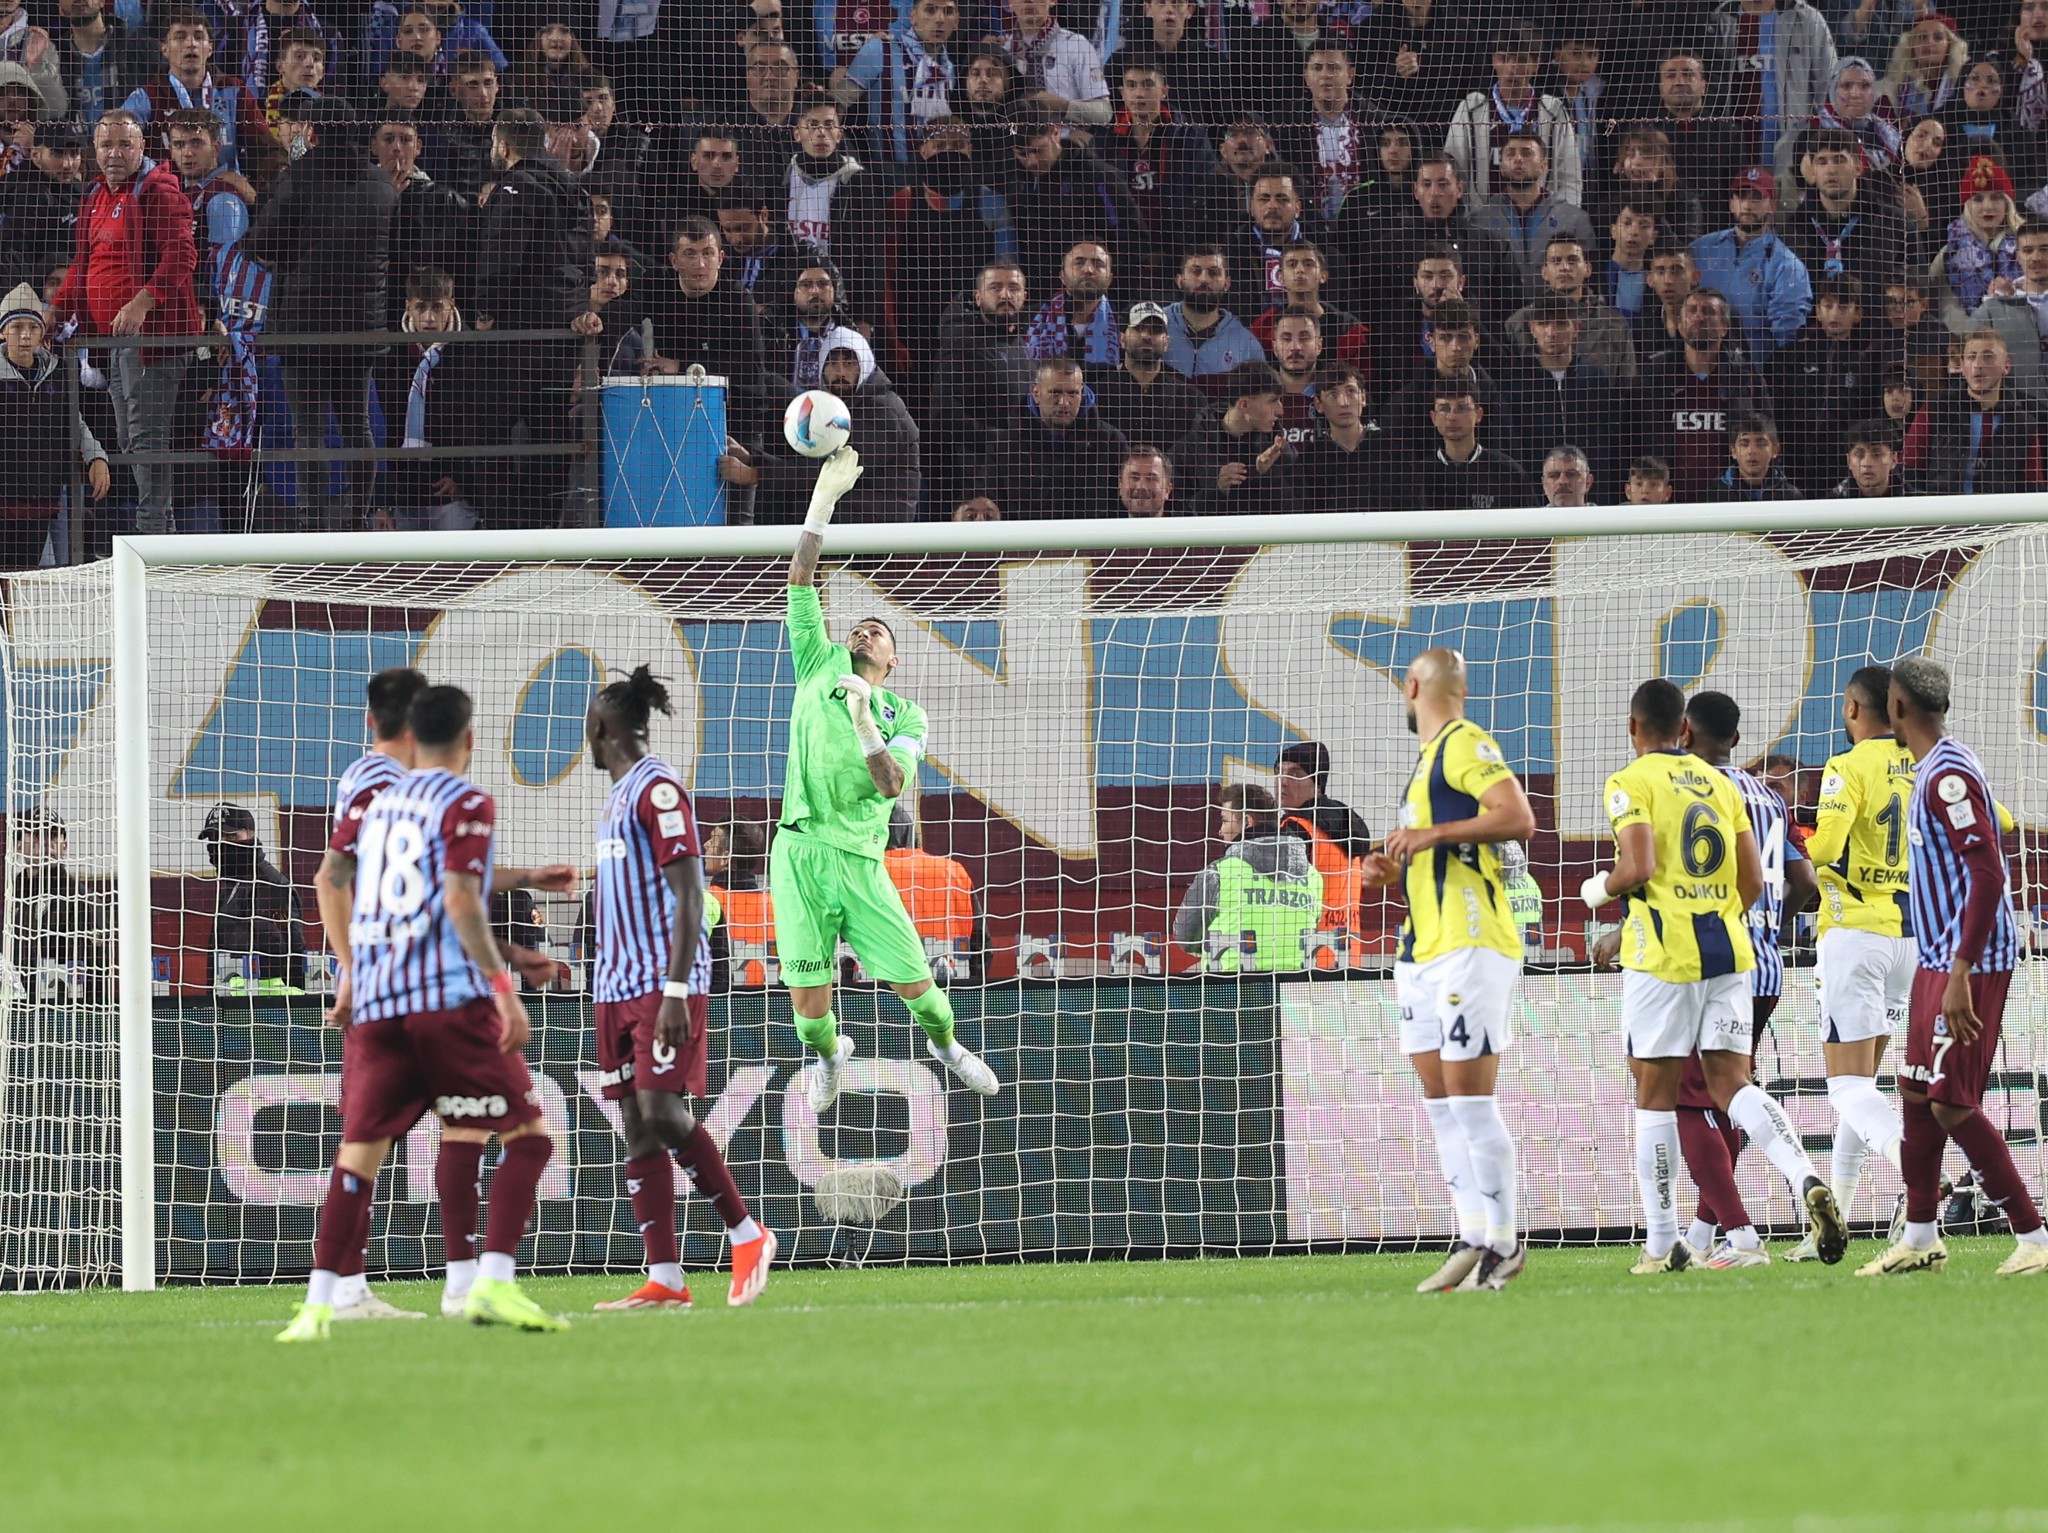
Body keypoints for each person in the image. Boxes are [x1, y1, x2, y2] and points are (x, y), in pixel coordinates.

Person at [278, 685, 568, 1342]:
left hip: (378, 1003)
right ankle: (489, 1281)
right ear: (469, 740)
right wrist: (504, 982)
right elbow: (459, 898)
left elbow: (347, 873)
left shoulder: (379, 806)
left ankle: (318, 1305)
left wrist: (519, 878)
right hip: (443, 1000)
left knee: (357, 1155)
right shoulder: (466, 799)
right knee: (530, 1134)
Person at [1582, 677, 1845, 1274]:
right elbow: (1754, 883)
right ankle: (1803, 1176)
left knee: (1658, 1097)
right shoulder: (1722, 785)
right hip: (1733, 952)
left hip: (1665, 957)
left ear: (1634, 727)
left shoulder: (1630, 782)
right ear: (1681, 728)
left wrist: (1596, 889)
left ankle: (1662, 1242)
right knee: (1734, 1086)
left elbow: (1639, 864)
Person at [776, 446, 1001, 1115]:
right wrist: (824, 500)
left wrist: (862, 718)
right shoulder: (816, 658)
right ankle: (827, 1055)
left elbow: (892, 783)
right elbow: (800, 573)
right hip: (797, 853)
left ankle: (947, 1048)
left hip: (862, 861)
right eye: (861, 624)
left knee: (923, 996)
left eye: (879, 631)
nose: (866, 628)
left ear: (892, 660)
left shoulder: (905, 712)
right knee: (809, 1014)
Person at [585, 665, 776, 1311]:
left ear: (602, 725)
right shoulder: (616, 796)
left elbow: (693, 889)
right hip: (613, 986)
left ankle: (747, 1234)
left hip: (659, 985)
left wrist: (673, 988)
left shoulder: (659, 788)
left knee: (665, 1112)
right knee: (638, 1128)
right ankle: (666, 1276)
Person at [1859, 656, 2048, 1277]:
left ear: (1899, 708)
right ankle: (1919, 1237)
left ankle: (2033, 1235)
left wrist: (1963, 971)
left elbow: (1991, 870)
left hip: (1972, 960)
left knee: (1951, 1103)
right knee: (1915, 1090)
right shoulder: (1934, 769)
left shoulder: (1946, 778)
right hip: (1936, 956)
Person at [1360, 648, 1537, 1291]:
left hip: (1470, 941)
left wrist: (1428, 839)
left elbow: (1518, 819)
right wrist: (1392, 872)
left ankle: (1506, 1242)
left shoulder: (1465, 742)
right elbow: (1438, 859)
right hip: (1422, 948)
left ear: (1411, 687)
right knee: (1440, 1103)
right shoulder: (1425, 765)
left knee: (1470, 1099)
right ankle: (1471, 1235)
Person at [1662, 690, 1816, 1267]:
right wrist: (1770, 925)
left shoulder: (1689, 790)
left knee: (1691, 1099)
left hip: (1712, 964)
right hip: (1767, 968)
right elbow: (1804, 884)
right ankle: (1704, 1235)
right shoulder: (1770, 796)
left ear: (1684, 732)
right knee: (1732, 1097)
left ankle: (1742, 1233)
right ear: (1736, 736)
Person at [1774, 664, 1916, 1259]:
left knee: (1846, 1086)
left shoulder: (1847, 766)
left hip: (1854, 935)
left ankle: (1921, 1171)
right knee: (1864, 1083)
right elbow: (1999, 820)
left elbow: (1826, 849)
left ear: (1853, 709)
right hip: (1912, 936)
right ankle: (1837, 1220)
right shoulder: (1926, 760)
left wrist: (1785, 826)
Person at [242, 97, 398, 535]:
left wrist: (290, 253)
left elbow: (261, 244)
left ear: (314, 132)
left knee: (308, 431)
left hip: (303, 326)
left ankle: (311, 527)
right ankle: (355, 521)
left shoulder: (301, 178)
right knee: (356, 425)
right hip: (362, 327)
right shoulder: (380, 182)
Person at [51, 110, 200, 538]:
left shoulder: (160, 193)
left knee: (145, 438)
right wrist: (54, 312)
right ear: (94, 151)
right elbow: (83, 266)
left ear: (141, 148)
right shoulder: (96, 195)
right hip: (113, 343)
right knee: (131, 439)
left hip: (153, 340)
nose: (114, 153)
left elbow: (182, 256)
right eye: (105, 145)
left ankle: (151, 538)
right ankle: (163, 537)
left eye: (125, 145)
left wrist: (142, 304)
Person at [469, 106, 599, 529]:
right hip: (563, 335)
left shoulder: (516, 187)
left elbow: (500, 259)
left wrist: (485, 312)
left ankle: (502, 531)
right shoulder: (574, 189)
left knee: (494, 432)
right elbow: (586, 260)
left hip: (517, 332)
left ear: (503, 146)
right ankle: (546, 529)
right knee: (550, 432)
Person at [0, 281, 110, 570]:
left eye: (33, 328)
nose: (25, 335)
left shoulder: (59, 372)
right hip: (3, 496)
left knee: (26, 582)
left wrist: (96, 456)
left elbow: (74, 422)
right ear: (3, 332)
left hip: (40, 499)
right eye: (17, 327)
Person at [1630, 286, 1776, 502]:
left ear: (1725, 327)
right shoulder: (1653, 377)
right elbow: (1631, 439)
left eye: (1708, 311)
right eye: (1692, 311)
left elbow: (1768, 436)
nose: (1699, 317)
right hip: (1667, 506)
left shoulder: (1747, 378)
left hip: (1730, 505)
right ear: (1679, 325)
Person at [1170, 783, 1323, 973]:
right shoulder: (1313, 876)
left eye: (1225, 821)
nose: (1220, 831)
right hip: (1295, 991)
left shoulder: (1218, 873)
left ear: (1248, 822)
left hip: (1232, 989)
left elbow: (1185, 937)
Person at [1444, 24, 1581, 206]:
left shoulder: (1553, 111)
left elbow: (1570, 177)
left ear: (1535, 64)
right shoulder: (1471, 109)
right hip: (1482, 225)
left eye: (1521, 60)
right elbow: (1454, 171)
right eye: (1504, 59)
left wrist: (1562, 225)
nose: (1512, 68)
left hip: (1543, 225)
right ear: (1494, 61)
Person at [1901, 327, 2044, 492]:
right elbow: (1907, 471)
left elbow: (2034, 487)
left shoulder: (2024, 423)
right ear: (1961, 366)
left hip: (2000, 515)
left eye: (1988, 356)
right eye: (1971, 357)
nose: (1978, 365)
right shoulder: (1935, 410)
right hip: (1942, 513)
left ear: (2006, 366)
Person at [1690, 167, 1815, 353]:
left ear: (1772, 206)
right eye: (1741, 196)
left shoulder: (1787, 266)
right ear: (1732, 204)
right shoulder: (1700, 249)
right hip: (1698, 364)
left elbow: (1788, 341)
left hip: (1755, 374)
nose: (1748, 205)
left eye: (1757, 198)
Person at [1710, 0, 1838, 180]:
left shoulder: (1807, 19)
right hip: (1731, 156)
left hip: (1794, 153)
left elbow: (1830, 86)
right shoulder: (1718, 21)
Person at [994, 356, 1129, 518]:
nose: (1064, 402)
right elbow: (985, 499)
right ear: (1036, 393)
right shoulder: (1004, 444)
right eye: (1055, 393)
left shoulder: (1111, 442)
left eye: (1073, 394)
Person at [1466, 131, 1597, 298]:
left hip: (1559, 317)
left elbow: (1588, 280)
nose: (1518, 159)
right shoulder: (1481, 219)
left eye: (1527, 153)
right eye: (1510, 154)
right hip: (1499, 317)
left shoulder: (1574, 219)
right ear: (1501, 165)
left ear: (1544, 165)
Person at [829, 0, 961, 164]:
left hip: (934, 174)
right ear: (913, 16)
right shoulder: (879, 51)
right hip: (888, 175)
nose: (940, 18)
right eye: (930, 10)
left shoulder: (949, 69)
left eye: (948, 11)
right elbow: (835, 104)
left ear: (956, 21)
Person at [1167, 361, 1297, 514]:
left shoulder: (1280, 449)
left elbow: (1299, 510)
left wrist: (1270, 475)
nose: (1280, 410)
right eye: (1273, 401)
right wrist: (1217, 491)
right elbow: (1172, 513)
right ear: (1244, 405)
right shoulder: (1186, 451)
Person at [1274, 739, 1371, 936]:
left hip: (1308, 950)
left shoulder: (1297, 827)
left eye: (1295, 774)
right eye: (1279, 772)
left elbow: (1280, 892)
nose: (1283, 782)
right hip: (1348, 948)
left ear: (1318, 784)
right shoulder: (1348, 823)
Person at [1092, 300, 1209, 450]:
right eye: (1138, 328)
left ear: (1166, 342)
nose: (1146, 335)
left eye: (1156, 330)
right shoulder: (1097, 395)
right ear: (1122, 339)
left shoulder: (1192, 400)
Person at [883, 803, 980, 979]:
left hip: (882, 987)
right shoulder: (953, 871)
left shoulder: (866, 872)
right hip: (950, 982)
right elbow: (980, 940)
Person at [1408, 381, 1534, 510]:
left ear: (1478, 414)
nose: (1452, 417)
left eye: (1462, 408)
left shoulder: (1508, 472)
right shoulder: (1416, 475)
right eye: (1444, 409)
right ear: (1433, 418)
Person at [1162, 244, 1266, 394]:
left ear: (1227, 283)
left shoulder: (1247, 344)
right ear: (1179, 280)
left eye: (1214, 273)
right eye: (1195, 272)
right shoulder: (1156, 324)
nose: (1204, 279)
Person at [1289, 361, 1385, 512]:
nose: (1344, 403)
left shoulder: (1392, 450)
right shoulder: (1310, 461)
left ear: (1364, 398)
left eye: (1350, 391)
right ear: (1318, 404)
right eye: (1333, 394)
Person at [1969, 215, 2048, 397]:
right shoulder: (1993, 309)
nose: (2036, 257)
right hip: (2017, 415)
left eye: (2044, 249)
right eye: (2028, 250)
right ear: (2018, 256)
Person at [1714, 413, 1803, 499]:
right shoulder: (1716, 494)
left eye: (1760, 443)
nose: (1752, 451)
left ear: (1775, 450)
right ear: (1733, 451)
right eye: (1744, 444)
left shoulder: (1790, 496)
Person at [1837, 416, 1913, 494]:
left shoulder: (1916, 501)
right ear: (1848, 460)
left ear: (1893, 460)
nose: (1867, 463)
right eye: (1859, 455)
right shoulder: (1833, 501)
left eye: (1877, 454)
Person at [1115, 443, 1174, 515]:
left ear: (1167, 490)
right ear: (1120, 486)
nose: (1141, 487)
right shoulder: (1101, 525)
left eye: (1151, 478)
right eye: (1134, 478)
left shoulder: (1188, 525)